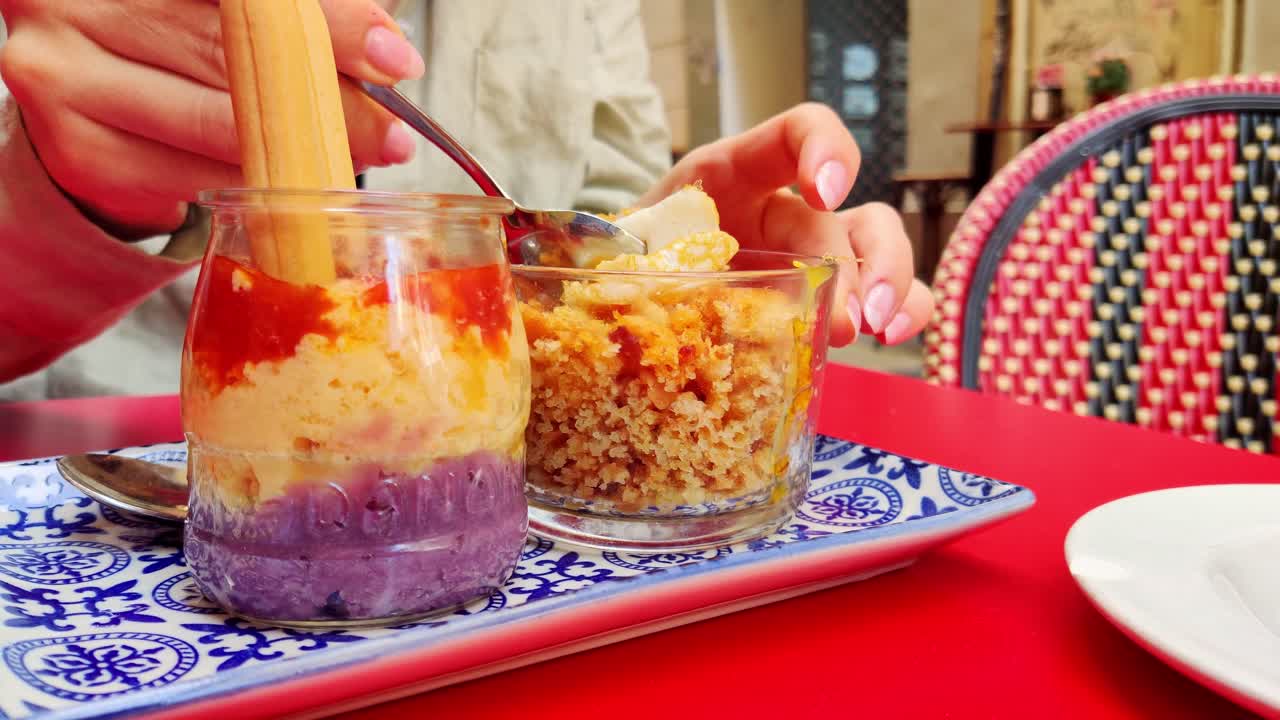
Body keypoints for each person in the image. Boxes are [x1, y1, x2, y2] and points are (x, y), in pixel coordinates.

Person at [0, 0, 933, 401]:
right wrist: (66, 194)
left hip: (501, 525)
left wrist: (656, 261)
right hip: (118, 492)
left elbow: (579, 220)